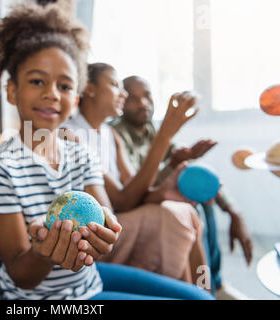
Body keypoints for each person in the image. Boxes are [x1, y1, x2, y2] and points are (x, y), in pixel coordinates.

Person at [0, 3, 213, 300]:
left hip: (89, 281)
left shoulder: (80, 153)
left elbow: (106, 217)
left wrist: (106, 236)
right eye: (37, 81)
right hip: (45, 300)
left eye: (65, 85)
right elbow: (22, 275)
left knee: (200, 297)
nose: (51, 93)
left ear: (75, 100)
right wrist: (44, 252)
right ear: (11, 91)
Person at [62, 63, 208, 286]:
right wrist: (164, 136)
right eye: (114, 85)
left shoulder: (110, 134)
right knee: (171, 217)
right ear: (89, 89)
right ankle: (190, 290)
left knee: (184, 209)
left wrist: (163, 190)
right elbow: (123, 200)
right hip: (98, 230)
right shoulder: (70, 134)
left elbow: (134, 189)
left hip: (122, 215)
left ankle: (204, 290)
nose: (123, 94)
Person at [111, 75, 253, 298]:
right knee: (190, 209)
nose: (143, 104)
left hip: (155, 197)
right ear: (120, 101)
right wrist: (172, 165)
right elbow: (137, 189)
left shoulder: (151, 130)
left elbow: (187, 170)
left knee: (202, 197)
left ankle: (215, 283)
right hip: (133, 207)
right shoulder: (116, 134)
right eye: (133, 98)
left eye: (147, 95)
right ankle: (206, 287)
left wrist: (234, 210)